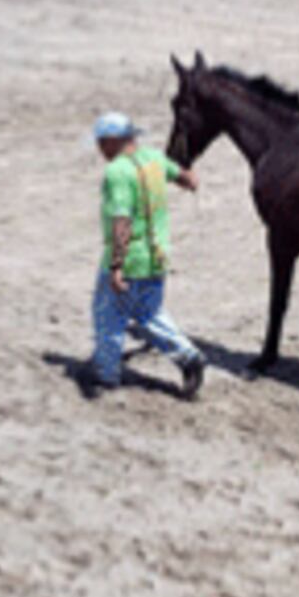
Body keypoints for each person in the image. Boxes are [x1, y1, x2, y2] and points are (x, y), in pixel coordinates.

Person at [87, 111, 208, 400]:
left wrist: (116, 265)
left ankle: (106, 374)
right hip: (158, 257)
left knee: (108, 317)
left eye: (101, 143)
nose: (98, 149)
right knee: (149, 314)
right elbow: (185, 178)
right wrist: (189, 178)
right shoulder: (154, 158)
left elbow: (121, 220)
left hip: (130, 260)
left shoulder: (117, 172)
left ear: (113, 141)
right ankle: (188, 356)